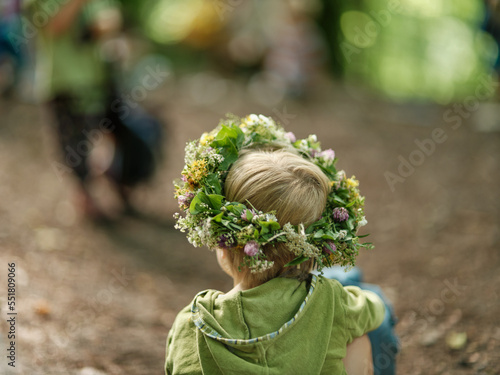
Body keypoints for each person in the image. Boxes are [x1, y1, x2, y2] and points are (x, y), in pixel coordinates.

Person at [167, 114, 398, 374]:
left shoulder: (191, 323)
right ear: (312, 247)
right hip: (334, 301)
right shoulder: (333, 304)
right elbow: (376, 309)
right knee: (362, 331)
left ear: (222, 242)